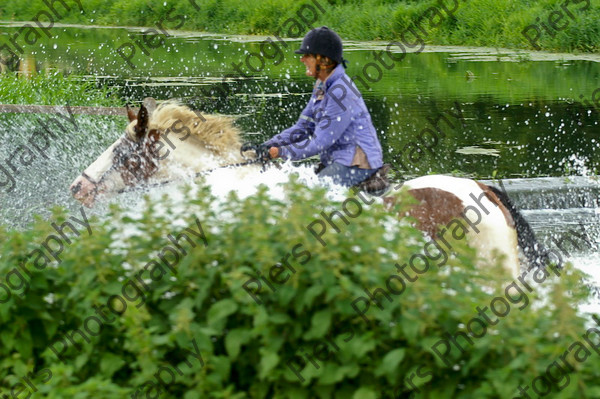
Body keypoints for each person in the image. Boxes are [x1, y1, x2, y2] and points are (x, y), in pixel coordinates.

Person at [260, 26, 385, 188]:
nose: (302, 59)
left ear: (324, 61)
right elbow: (302, 127)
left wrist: (281, 152)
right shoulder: (321, 86)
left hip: (357, 163)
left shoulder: (341, 92)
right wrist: (268, 145)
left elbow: (320, 142)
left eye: (307, 55)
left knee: (311, 196)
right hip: (337, 160)